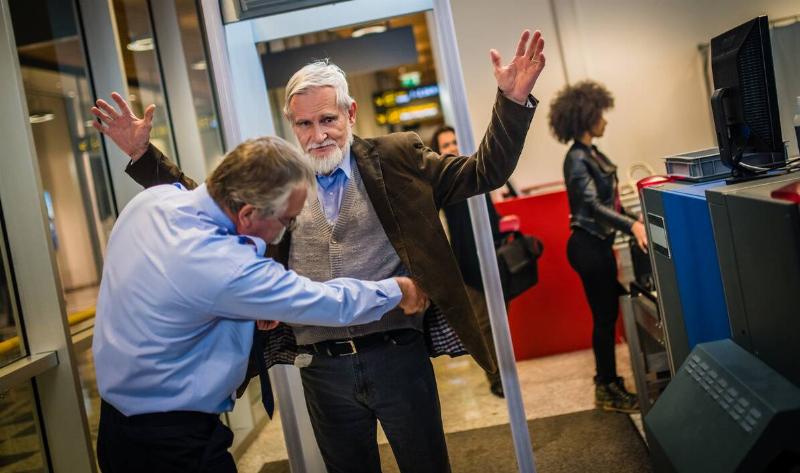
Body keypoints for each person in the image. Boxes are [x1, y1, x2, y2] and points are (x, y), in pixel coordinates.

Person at [92, 28, 545, 473]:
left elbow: (484, 172)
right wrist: (142, 155)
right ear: (292, 125)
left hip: (396, 354)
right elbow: (215, 200)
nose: (318, 135)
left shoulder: (397, 158)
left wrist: (512, 103)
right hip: (322, 368)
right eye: (304, 124)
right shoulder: (280, 181)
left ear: (350, 113)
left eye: (328, 120)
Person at [92, 136, 429, 473]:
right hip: (173, 444)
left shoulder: (150, 203)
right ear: (249, 213)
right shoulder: (227, 266)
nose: (284, 234)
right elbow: (328, 301)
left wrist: (245, 311)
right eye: (287, 222)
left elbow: (176, 300)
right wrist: (397, 290)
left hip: (116, 430)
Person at [548, 80, 647, 413]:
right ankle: (606, 388)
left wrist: (638, 218)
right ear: (586, 117)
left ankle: (608, 382)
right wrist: (632, 226)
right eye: (600, 114)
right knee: (604, 318)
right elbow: (592, 206)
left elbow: (612, 203)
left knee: (611, 311)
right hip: (588, 246)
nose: (605, 120)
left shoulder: (590, 154)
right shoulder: (576, 159)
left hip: (597, 244)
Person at [430, 125, 505, 398]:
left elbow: (491, 213)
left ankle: (506, 370)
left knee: (500, 320)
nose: (451, 148)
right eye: (445, 144)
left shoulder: (476, 172)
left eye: (453, 142)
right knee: (483, 324)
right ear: (437, 151)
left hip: (491, 259)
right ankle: (495, 377)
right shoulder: (441, 184)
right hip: (465, 266)